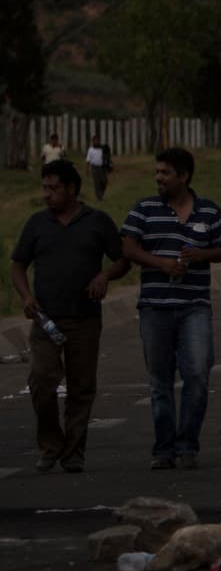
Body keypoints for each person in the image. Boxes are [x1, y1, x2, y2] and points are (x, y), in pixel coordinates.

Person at [10, 160, 130, 473]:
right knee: (42, 382)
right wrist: (26, 296)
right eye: (44, 188)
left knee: (81, 386)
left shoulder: (97, 221)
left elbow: (122, 260)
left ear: (72, 188)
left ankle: (73, 452)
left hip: (85, 318)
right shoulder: (37, 224)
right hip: (45, 319)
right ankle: (50, 445)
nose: (47, 194)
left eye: (54, 188)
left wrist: (104, 276)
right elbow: (18, 265)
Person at [121, 147, 221, 470]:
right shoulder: (144, 209)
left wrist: (200, 256)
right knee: (160, 380)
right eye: (157, 172)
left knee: (197, 371)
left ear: (183, 176)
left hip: (194, 305)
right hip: (154, 307)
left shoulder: (209, 211)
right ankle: (164, 448)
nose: (159, 178)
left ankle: (187, 444)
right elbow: (127, 246)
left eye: (165, 173)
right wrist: (161, 264)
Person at [85, 134, 110, 201]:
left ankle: (101, 193)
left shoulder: (102, 148)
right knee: (97, 182)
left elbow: (107, 157)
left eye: (97, 140)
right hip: (94, 168)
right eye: (94, 141)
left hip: (102, 167)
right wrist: (87, 170)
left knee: (104, 181)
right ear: (92, 141)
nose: (96, 142)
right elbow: (88, 160)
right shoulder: (90, 150)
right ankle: (99, 197)